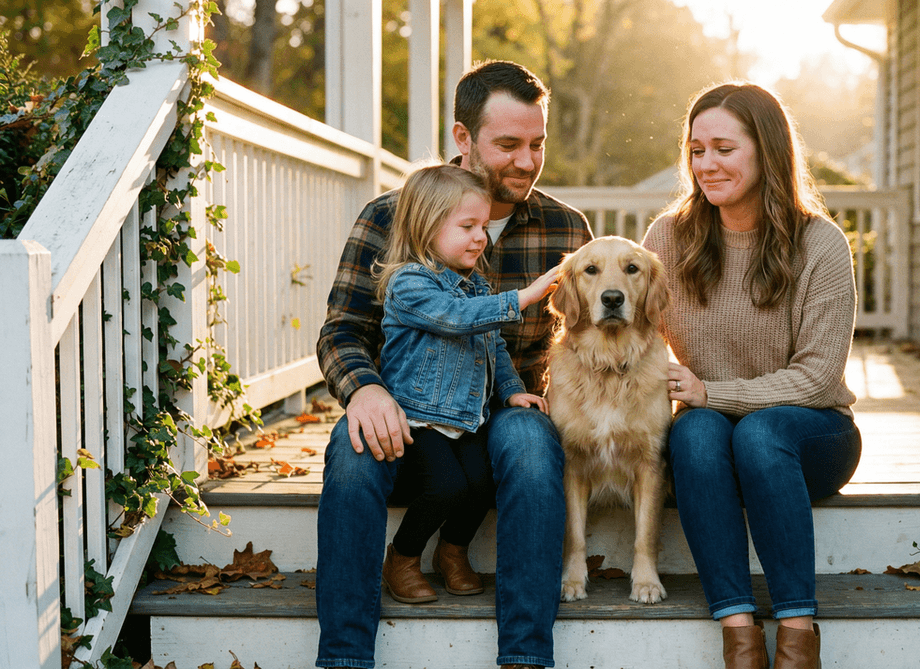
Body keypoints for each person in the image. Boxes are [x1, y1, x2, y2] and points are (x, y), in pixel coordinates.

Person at [316, 61, 592, 669]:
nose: (526, 161)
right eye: (508, 145)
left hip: (506, 408)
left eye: (537, 144)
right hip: (409, 411)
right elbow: (343, 329)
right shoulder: (391, 217)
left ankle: (525, 656)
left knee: (529, 441)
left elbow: (588, 338)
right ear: (463, 138)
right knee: (354, 451)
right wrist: (363, 390)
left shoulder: (565, 227)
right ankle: (343, 658)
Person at [642, 82, 862, 669]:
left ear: (766, 150)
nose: (706, 165)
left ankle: (796, 636)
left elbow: (817, 378)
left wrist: (714, 392)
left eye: (723, 148)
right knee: (692, 432)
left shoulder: (819, 242)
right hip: (711, 442)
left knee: (757, 432)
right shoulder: (669, 237)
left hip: (810, 436)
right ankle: (738, 635)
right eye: (696, 150)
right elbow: (637, 334)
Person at [369, 164, 558, 605]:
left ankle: (451, 553)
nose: (481, 237)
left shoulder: (476, 289)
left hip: (468, 416)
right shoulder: (409, 283)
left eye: (484, 227)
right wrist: (525, 296)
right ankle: (402, 557)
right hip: (418, 418)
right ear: (427, 227)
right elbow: (455, 321)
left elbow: (492, 348)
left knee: (482, 482)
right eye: (467, 226)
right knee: (445, 486)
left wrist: (512, 390)